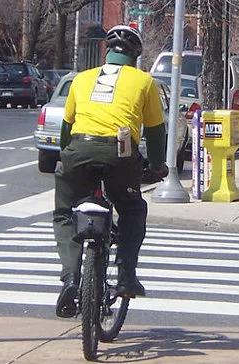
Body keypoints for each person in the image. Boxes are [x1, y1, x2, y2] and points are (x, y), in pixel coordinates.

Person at [53, 25, 169, 318]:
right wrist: (157, 166)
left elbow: (66, 129)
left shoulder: (81, 79)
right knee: (131, 208)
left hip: (79, 148)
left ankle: (69, 278)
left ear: (107, 52)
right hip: (121, 151)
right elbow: (155, 132)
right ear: (135, 57)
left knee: (66, 212)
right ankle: (126, 275)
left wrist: (66, 159)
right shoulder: (145, 82)